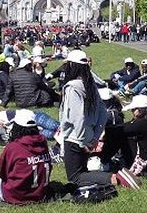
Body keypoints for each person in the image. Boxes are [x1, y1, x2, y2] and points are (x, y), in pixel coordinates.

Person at [59, 49, 140, 189]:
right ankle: (114, 176)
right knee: (81, 172)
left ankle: (115, 177)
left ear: (72, 66)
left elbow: (78, 116)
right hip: (89, 134)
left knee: (75, 177)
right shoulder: (90, 85)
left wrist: (80, 140)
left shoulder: (72, 87)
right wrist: (95, 137)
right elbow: (103, 112)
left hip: (75, 137)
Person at [102, 95, 147, 176]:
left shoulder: (144, 123)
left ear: (140, 110)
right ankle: (106, 160)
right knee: (120, 134)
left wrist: (103, 131)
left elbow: (121, 129)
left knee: (118, 135)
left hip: (145, 164)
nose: (132, 112)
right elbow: (126, 126)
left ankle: (104, 161)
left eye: (133, 109)